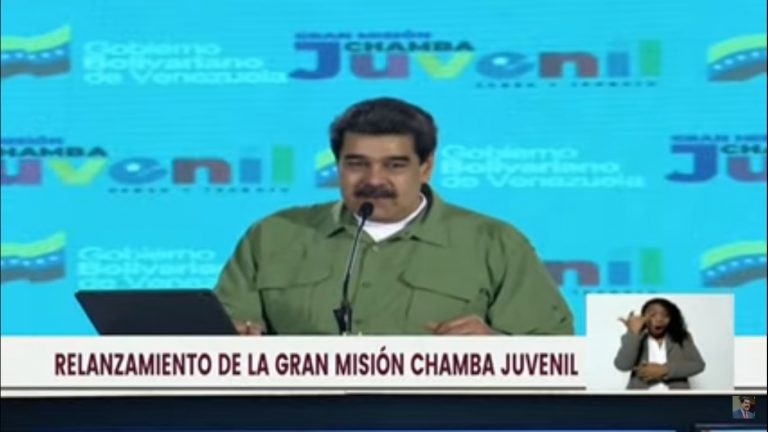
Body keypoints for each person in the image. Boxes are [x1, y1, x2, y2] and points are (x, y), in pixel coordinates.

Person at [213, 97, 573, 335]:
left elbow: (557, 351)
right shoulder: (273, 236)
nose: (373, 180)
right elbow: (219, 338)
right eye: (357, 164)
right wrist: (235, 338)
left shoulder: (494, 243)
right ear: (338, 166)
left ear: (426, 167)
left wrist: (497, 346)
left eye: (394, 165)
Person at [613, 298, 705, 390]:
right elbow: (622, 366)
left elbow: (698, 365)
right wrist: (634, 334)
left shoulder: (682, 337)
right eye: (652, 315)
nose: (659, 319)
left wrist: (664, 370)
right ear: (643, 317)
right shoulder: (633, 338)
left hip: (676, 397)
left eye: (665, 315)